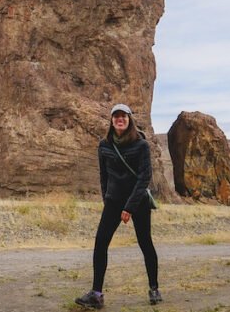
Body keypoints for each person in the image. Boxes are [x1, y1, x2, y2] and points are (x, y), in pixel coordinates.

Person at [75, 103, 162, 309]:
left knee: (145, 243)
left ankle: (154, 288)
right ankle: (96, 294)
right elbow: (103, 176)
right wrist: (107, 199)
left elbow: (144, 177)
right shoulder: (104, 145)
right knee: (100, 243)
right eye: (116, 117)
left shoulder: (141, 145)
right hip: (114, 202)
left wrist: (129, 208)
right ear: (111, 121)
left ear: (130, 119)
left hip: (137, 202)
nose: (119, 119)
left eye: (123, 116)